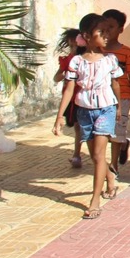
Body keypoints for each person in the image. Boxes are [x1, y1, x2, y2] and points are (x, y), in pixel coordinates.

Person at [52, 13, 122, 219]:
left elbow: (115, 84)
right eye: (102, 32)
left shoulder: (110, 60)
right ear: (87, 36)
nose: (106, 36)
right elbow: (69, 88)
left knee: (99, 155)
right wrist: (58, 117)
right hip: (84, 110)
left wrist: (119, 108)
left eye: (108, 32)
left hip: (105, 109)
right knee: (95, 156)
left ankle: (95, 201)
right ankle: (110, 179)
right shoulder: (76, 62)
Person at [101, 9, 130, 176]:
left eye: (111, 27)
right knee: (106, 131)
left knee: (118, 130)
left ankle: (113, 166)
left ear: (120, 29)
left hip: (123, 97)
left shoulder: (126, 52)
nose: (107, 31)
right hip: (102, 97)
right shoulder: (97, 51)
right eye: (104, 27)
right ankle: (122, 145)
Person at [53, 28, 84, 169]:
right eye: (70, 46)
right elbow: (56, 77)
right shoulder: (67, 61)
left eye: (75, 45)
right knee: (76, 126)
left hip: (83, 98)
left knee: (80, 127)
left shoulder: (86, 59)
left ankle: (77, 155)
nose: (72, 49)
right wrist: (65, 74)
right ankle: (77, 154)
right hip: (70, 99)